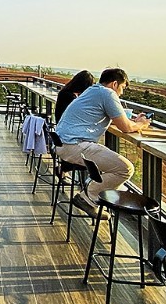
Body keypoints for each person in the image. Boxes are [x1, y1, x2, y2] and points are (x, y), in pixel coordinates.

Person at [53, 67, 150, 215]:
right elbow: (125, 127)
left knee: (116, 173)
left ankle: (101, 193)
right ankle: (87, 197)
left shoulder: (92, 91)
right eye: (122, 88)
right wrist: (142, 123)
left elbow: (117, 120)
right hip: (75, 145)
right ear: (115, 84)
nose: (122, 93)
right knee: (125, 169)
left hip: (64, 143)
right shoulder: (107, 93)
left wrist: (132, 122)